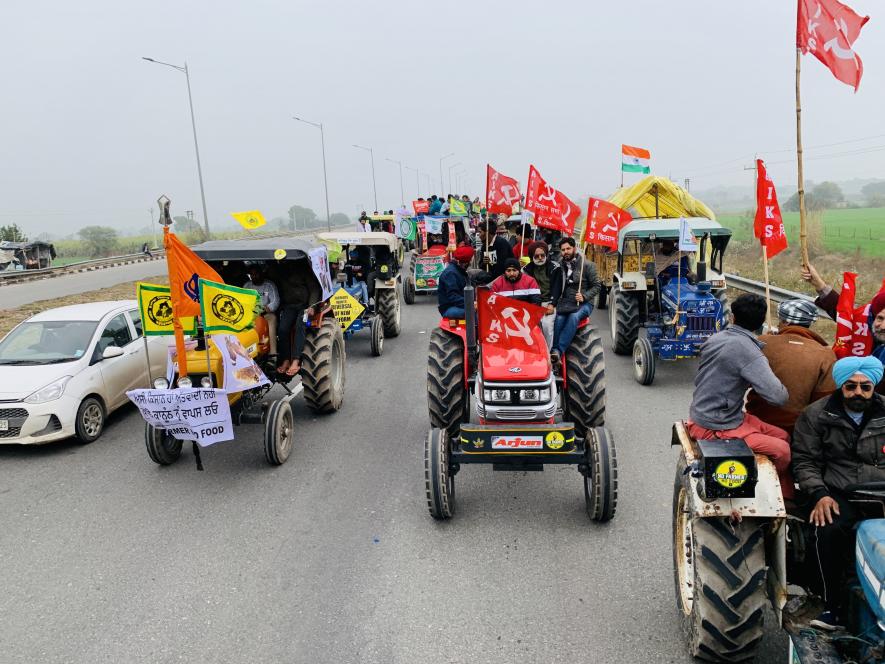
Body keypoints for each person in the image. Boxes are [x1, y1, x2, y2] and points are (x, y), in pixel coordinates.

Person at [791, 355, 885, 629]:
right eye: (851, 386)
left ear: (874, 386)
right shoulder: (816, 415)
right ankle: (829, 605)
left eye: (865, 387)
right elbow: (805, 461)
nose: (858, 392)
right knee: (826, 529)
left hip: (881, 491)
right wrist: (819, 494)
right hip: (839, 492)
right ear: (841, 385)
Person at [687, 294, 793, 496]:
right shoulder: (748, 352)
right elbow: (778, 397)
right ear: (761, 322)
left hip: (716, 414)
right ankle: (769, 491)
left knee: (784, 435)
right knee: (783, 451)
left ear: (733, 317)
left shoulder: (716, 339)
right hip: (716, 425)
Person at [745, 299, 836, 435]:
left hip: (756, 421)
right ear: (809, 323)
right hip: (798, 430)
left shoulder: (763, 342)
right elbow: (823, 402)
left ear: (786, 322)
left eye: (780, 320)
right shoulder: (826, 355)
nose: (778, 324)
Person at [802, 263, 885, 391]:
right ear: (873, 318)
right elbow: (845, 317)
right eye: (880, 318)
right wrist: (819, 285)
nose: (883, 326)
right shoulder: (866, 325)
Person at [550, 237, 600, 360]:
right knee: (559, 319)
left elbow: (597, 286)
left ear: (574, 248)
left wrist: (584, 296)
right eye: (563, 250)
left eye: (568, 248)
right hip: (566, 302)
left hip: (584, 304)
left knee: (574, 317)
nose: (565, 251)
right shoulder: (559, 265)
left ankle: (558, 351)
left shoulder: (588, 265)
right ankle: (553, 352)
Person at [275, 261, 319, 376]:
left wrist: (312, 306)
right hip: (290, 306)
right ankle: (285, 360)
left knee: (301, 325)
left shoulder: (304, 269)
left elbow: (314, 289)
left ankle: (296, 360)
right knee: (282, 329)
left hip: (305, 307)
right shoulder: (280, 271)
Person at [522, 240, 561, 349]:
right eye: (537, 256)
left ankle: (547, 354)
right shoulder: (525, 270)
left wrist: (552, 304)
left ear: (546, 255)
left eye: (542, 255)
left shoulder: (555, 267)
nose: (540, 258)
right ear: (531, 256)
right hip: (532, 304)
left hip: (549, 303)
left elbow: (557, 288)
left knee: (547, 326)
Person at [244, 265, 281, 356]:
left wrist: (266, 308)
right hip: (251, 314)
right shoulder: (247, 285)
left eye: (256, 274)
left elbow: (275, 301)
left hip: (265, 314)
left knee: (272, 318)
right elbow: (243, 301)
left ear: (261, 274)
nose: (254, 276)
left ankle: (273, 353)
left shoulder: (269, 285)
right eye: (252, 274)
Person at [437, 246, 474, 318]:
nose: (470, 263)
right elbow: (453, 297)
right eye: (470, 261)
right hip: (449, 308)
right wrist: (471, 304)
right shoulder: (450, 273)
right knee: (474, 314)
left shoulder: (459, 270)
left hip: (459, 305)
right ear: (466, 262)